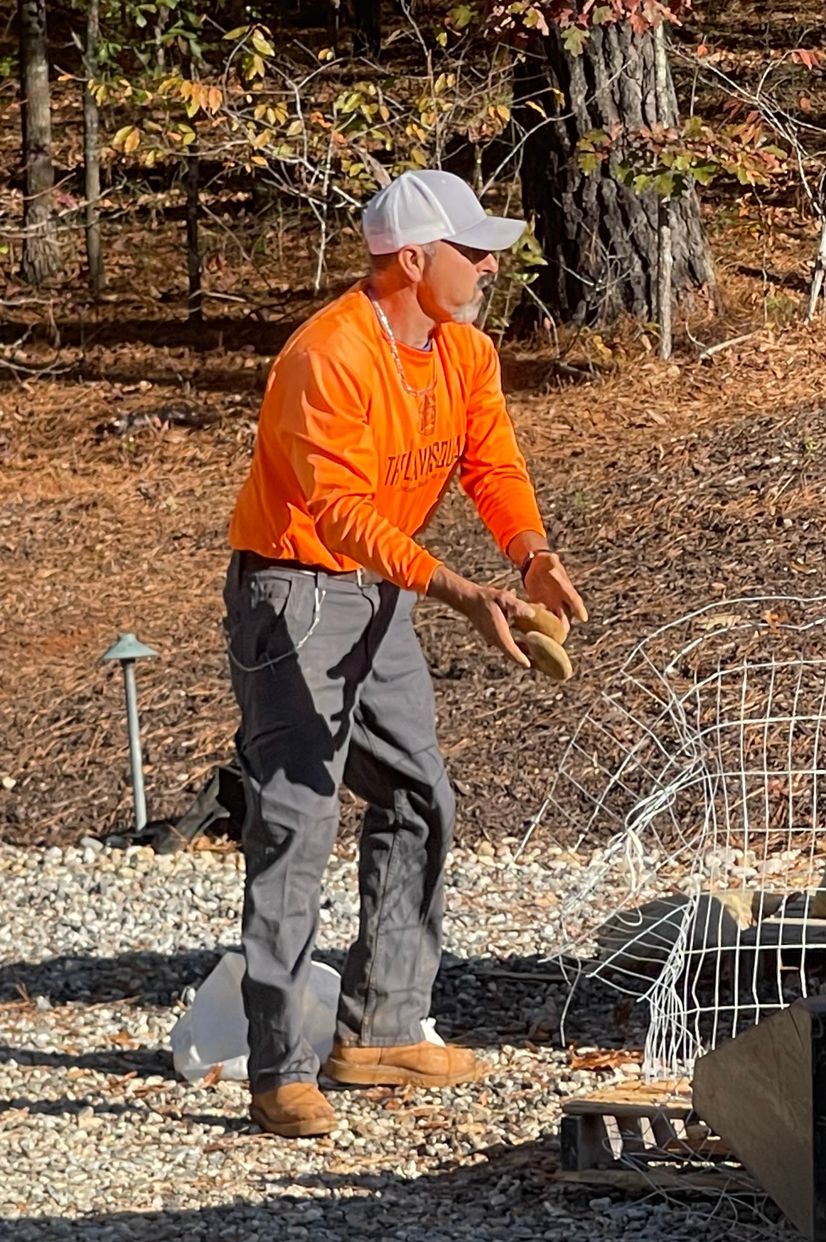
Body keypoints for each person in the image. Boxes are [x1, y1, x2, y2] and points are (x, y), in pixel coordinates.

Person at [223, 170, 587, 1138]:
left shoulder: (464, 350)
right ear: (413, 260)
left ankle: (381, 1028)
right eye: (473, 250)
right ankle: (279, 1069)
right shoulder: (328, 355)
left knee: (419, 792)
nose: (491, 263)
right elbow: (338, 510)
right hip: (295, 589)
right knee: (298, 817)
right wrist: (458, 591)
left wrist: (531, 556)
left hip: (385, 587)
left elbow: (490, 462)